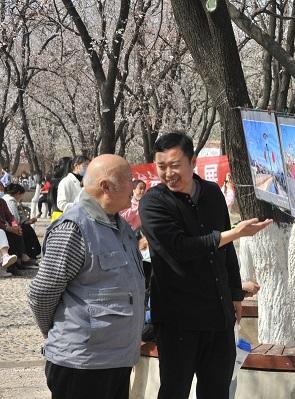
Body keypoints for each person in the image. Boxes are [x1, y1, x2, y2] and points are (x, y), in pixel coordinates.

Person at [139, 132, 272, 399]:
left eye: (175, 165)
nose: (168, 173)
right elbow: (179, 248)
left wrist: (235, 294)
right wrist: (234, 233)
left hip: (218, 316)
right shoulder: (153, 202)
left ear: (193, 162)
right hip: (178, 319)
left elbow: (226, 253)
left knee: (217, 391)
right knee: (174, 390)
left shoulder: (211, 193)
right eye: (161, 166)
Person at [28, 154, 145, 399]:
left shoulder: (120, 227)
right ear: (106, 187)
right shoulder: (74, 228)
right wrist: (59, 331)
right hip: (81, 363)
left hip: (116, 360)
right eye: (129, 181)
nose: (133, 187)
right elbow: (42, 294)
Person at [3, 183, 40, 263]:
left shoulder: (4, 200)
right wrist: (14, 226)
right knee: (23, 230)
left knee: (23, 228)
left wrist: (17, 224)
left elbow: (11, 217)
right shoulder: (10, 200)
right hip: (6, 226)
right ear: (18, 193)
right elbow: (13, 217)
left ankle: (25, 255)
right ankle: (25, 255)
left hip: (8, 225)